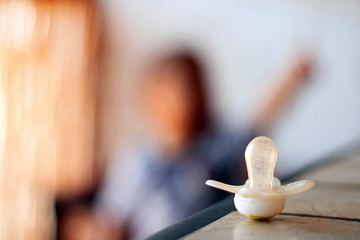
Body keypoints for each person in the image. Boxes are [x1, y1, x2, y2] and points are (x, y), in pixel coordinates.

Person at [95, 50, 312, 240]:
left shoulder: (217, 146)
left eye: (196, 85)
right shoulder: (137, 161)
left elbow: (257, 122)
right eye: (179, 87)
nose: (190, 97)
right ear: (151, 100)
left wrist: (291, 78)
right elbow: (111, 221)